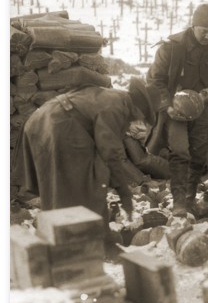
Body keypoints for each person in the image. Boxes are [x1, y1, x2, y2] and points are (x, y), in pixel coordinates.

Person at [15, 77, 161, 224]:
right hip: (55, 124)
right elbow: (110, 153)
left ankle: (67, 227)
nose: (139, 120)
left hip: (45, 119)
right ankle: (65, 233)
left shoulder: (117, 97)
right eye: (144, 116)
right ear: (138, 109)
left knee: (73, 185)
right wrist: (124, 193)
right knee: (64, 188)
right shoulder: (116, 108)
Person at [146, 3, 208, 217]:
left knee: (199, 153)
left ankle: (189, 197)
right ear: (193, 25)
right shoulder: (172, 47)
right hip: (175, 110)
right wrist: (167, 106)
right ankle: (178, 202)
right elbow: (154, 80)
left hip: (202, 110)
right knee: (180, 152)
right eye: (204, 30)